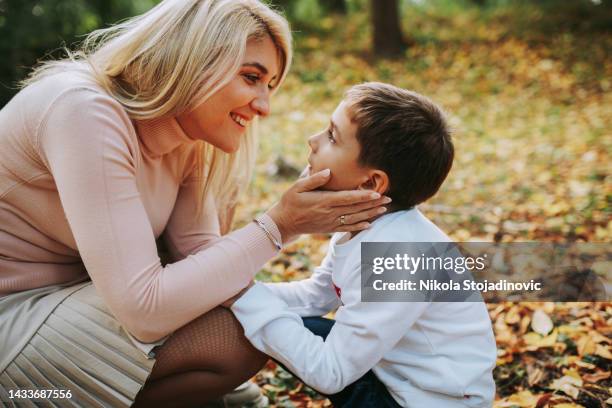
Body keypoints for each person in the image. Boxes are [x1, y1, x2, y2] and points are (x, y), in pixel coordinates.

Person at [0, 1, 390, 407]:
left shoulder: (187, 139)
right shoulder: (82, 110)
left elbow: (203, 257)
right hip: (14, 323)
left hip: (77, 304)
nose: (263, 106)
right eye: (251, 77)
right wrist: (280, 226)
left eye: (270, 85)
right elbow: (145, 309)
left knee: (242, 317)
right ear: (195, 59)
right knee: (237, 334)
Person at [226, 83, 498, 407]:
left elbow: (330, 372)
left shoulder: (400, 257)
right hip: (392, 380)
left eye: (331, 136)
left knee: (282, 326)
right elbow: (316, 296)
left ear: (371, 182)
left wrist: (244, 296)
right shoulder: (364, 225)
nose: (312, 141)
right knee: (291, 323)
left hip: (423, 402)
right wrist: (233, 290)